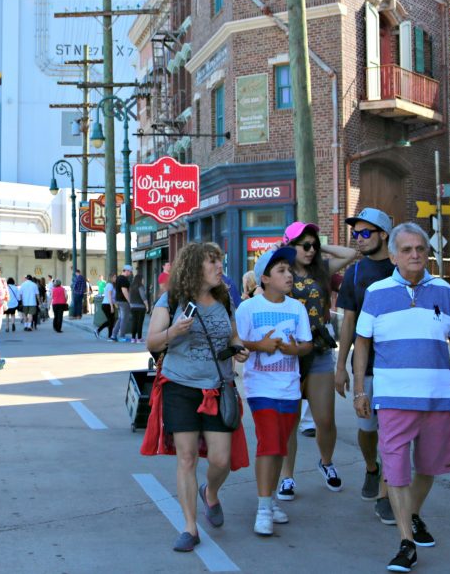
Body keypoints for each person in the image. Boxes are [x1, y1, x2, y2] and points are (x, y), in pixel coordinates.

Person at [353, 222, 450, 573]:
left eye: (420, 249)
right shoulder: (376, 292)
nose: (415, 255)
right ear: (392, 255)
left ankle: (414, 513)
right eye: (406, 250)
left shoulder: (443, 290)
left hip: (437, 397)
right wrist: (360, 388)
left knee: (429, 467)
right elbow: (362, 341)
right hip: (392, 398)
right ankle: (406, 542)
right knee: (395, 470)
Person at [144, 242, 249, 552]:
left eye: (220, 262)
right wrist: (173, 332)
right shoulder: (171, 300)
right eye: (213, 262)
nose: (220, 268)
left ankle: (211, 492)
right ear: (195, 268)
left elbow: (231, 335)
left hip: (218, 388)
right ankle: (190, 528)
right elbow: (151, 342)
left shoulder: (224, 299)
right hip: (180, 387)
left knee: (221, 459)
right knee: (186, 458)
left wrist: (238, 347)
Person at [235, 246, 313, 537]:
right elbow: (237, 342)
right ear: (264, 278)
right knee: (268, 443)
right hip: (260, 387)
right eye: (281, 270)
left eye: (289, 270)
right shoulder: (248, 308)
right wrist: (259, 346)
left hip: (290, 388)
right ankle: (263, 508)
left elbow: (306, 344)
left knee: (280, 445)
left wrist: (295, 349)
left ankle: (270, 501)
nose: (289, 274)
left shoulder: (296, 308)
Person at [276, 221, 356, 502]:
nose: (310, 251)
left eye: (313, 245)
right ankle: (287, 476)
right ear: (290, 246)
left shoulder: (322, 269)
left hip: (320, 350)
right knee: (289, 419)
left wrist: (322, 247)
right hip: (288, 354)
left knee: (324, 419)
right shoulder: (279, 270)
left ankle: (326, 461)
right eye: (304, 245)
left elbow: (350, 254)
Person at [335, 208, 396, 524]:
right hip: (366, 365)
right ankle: (372, 467)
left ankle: (387, 494)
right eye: (355, 234)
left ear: (383, 234)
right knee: (368, 430)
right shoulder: (355, 274)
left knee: (393, 433)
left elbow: (431, 312)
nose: (358, 239)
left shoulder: (403, 268)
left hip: (400, 366)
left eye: (365, 233)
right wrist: (341, 365)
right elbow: (348, 321)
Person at [113, 265, 134, 342]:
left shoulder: (118, 278)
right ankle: (122, 336)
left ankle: (114, 335)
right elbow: (124, 291)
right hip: (123, 301)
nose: (131, 273)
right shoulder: (124, 279)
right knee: (124, 319)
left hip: (118, 300)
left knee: (120, 318)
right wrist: (130, 301)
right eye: (130, 271)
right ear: (127, 271)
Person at [128, 272, 149, 344]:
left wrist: (130, 304)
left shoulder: (131, 286)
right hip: (140, 307)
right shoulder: (140, 286)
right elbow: (143, 296)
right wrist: (147, 305)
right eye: (143, 279)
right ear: (140, 279)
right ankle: (139, 338)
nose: (143, 280)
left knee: (134, 322)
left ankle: (133, 338)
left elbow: (129, 296)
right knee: (140, 323)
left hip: (133, 306)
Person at [95, 273, 117, 340]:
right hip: (107, 304)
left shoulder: (110, 285)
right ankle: (98, 330)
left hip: (108, 304)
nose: (115, 278)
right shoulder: (110, 285)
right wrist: (112, 306)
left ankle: (110, 336)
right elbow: (109, 296)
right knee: (111, 321)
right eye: (114, 277)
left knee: (111, 321)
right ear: (111, 278)